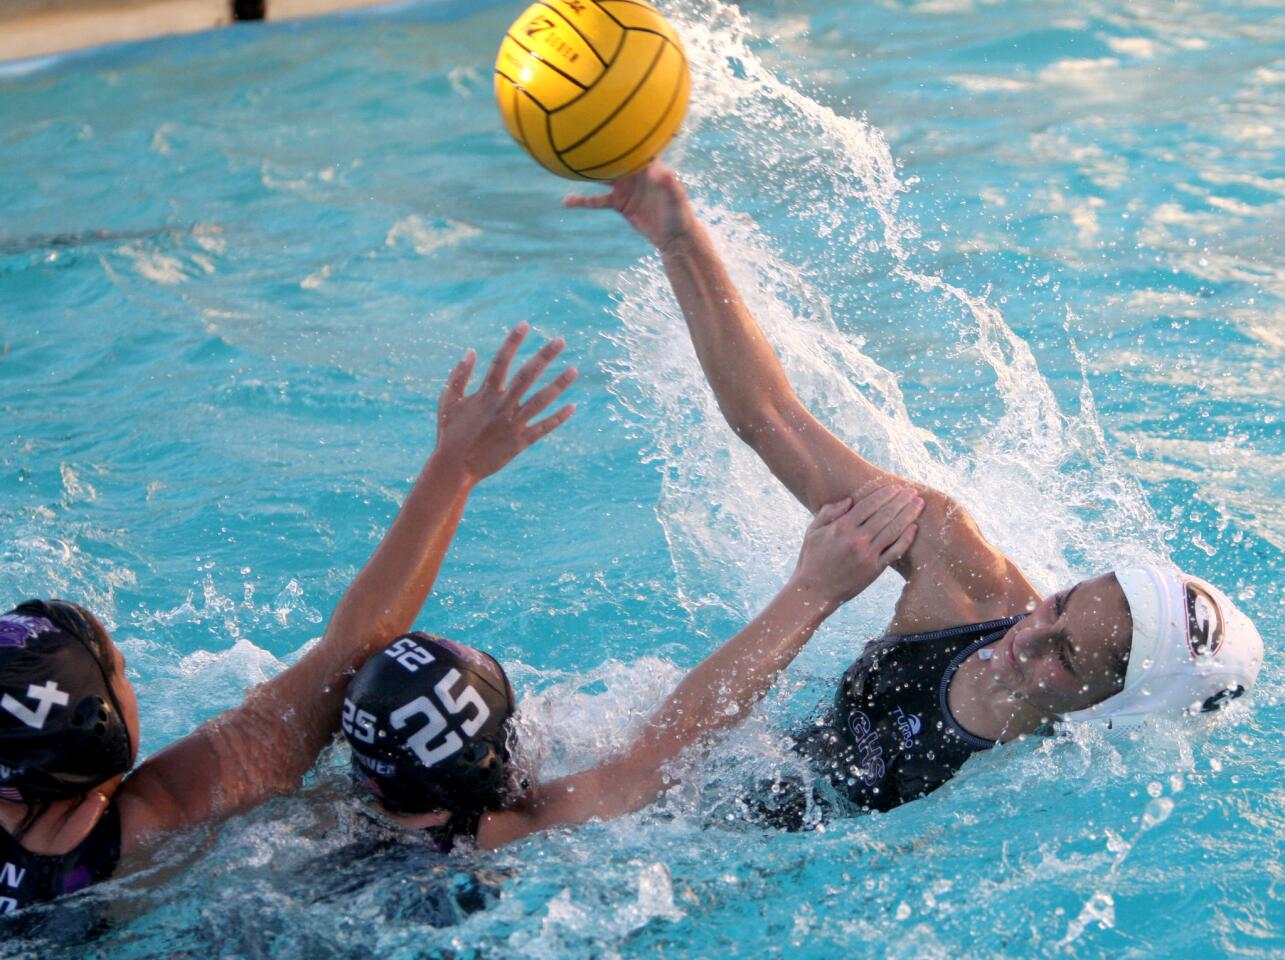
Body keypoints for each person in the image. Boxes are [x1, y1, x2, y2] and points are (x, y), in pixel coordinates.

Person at [562, 163, 1265, 815]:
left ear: (1107, 708)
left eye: (1066, 658)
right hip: (700, 784)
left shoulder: (1033, 792)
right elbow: (771, 419)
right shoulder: (961, 583)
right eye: (1059, 606)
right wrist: (680, 242)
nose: (1030, 636)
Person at [0, 324, 575, 912]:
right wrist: (456, 467)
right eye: (120, 669)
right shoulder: (151, 822)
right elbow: (346, 657)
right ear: (100, 726)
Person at [342, 485, 923, 847]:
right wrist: (815, 589)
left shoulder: (329, 817)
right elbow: (668, 746)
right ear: (487, 764)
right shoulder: (503, 833)